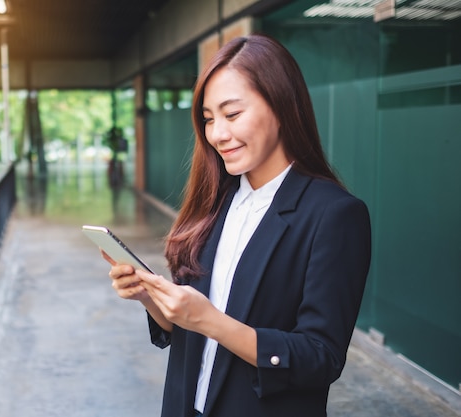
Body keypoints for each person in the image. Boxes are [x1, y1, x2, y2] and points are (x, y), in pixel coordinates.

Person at [104, 33, 371, 417]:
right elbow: (187, 326)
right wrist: (150, 296)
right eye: (209, 119)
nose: (217, 135)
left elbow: (321, 357)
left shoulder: (334, 214)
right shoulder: (215, 201)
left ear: (282, 106)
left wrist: (212, 322)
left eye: (232, 115)